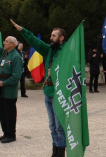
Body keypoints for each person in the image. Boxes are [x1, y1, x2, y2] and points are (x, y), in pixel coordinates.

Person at [9, 19, 67, 156]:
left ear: (62, 38)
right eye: (51, 35)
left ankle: (61, 152)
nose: (51, 38)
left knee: (60, 127)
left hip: (59, 94)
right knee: (52, 126)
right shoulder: (48, 50)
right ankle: (55, 150)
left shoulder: (66, 51)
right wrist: (22, 30)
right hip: (48, 92)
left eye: (54, 36)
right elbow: (34, 41)